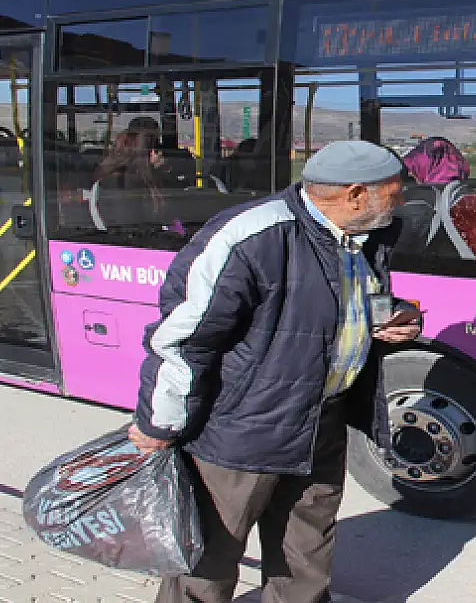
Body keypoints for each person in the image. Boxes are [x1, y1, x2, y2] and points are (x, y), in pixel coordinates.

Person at [126, 140, 423, 602]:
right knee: (209, 553)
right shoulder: (251, 235)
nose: (401, 201)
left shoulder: (366, 234)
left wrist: (392, 317)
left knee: (307, 548)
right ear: (356, 193)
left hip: (322, 419)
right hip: (242, 429)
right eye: (395, 191)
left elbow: (345, 303)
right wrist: (158, 423)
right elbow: (184, 338)